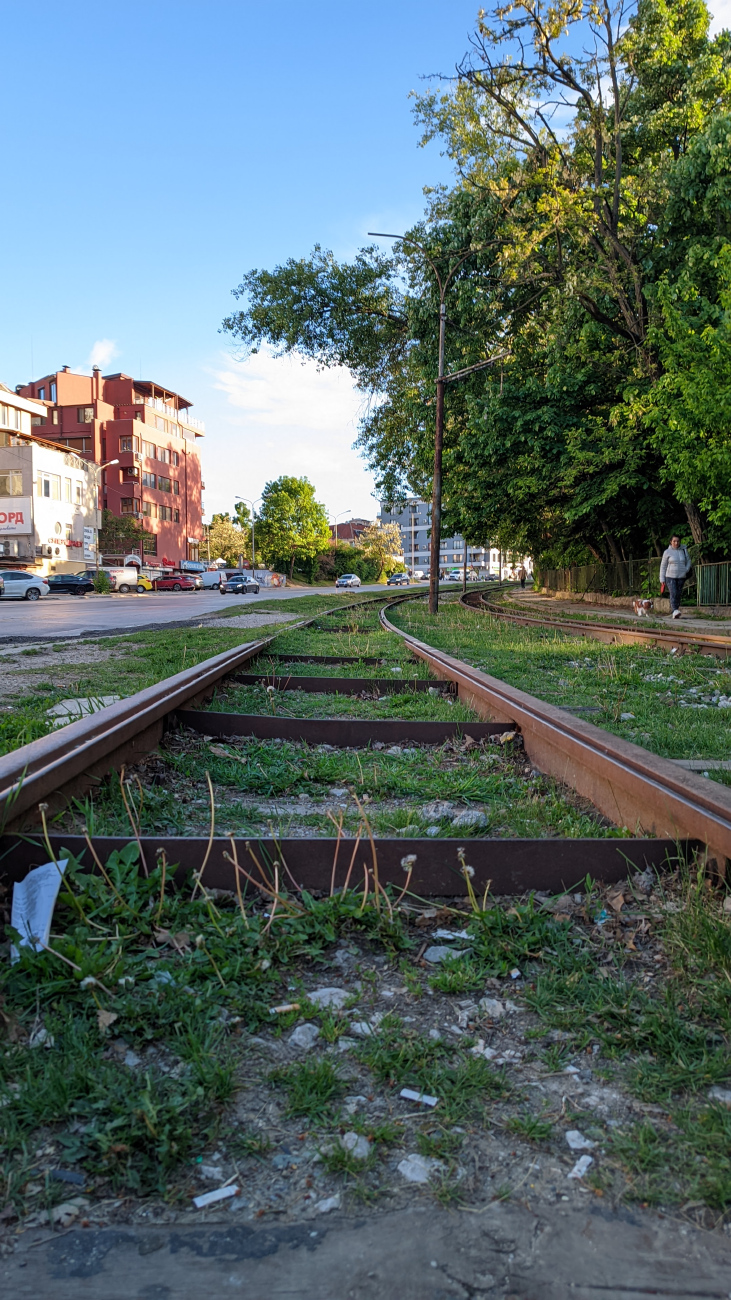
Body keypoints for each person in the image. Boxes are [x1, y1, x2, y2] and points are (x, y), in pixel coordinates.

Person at [659, 534, 692, 619]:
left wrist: (686, 569)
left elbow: (688, 561)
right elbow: (663, 566)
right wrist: (662, 578)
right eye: (674, 541)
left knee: (678, 593)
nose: (676, 543)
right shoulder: (667, 552)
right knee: (673, 592)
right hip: (670, 576)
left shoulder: (683, 550)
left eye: (678, 541)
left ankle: (676, 610)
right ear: (671, 542)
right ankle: (675, 610)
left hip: (681, 576)